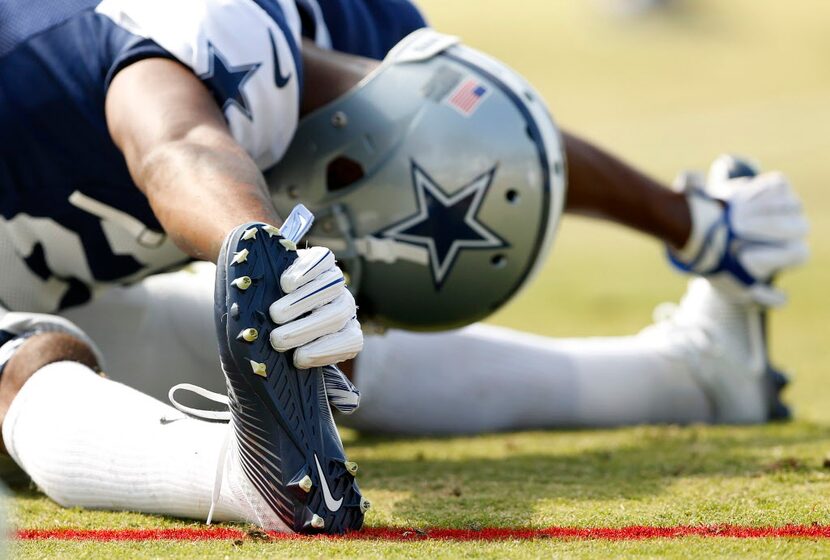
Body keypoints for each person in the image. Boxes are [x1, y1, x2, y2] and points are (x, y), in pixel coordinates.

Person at [0, 0, 808, 534]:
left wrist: (692, 220)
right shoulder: (219, 31)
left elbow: (496, 149)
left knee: (290, 347)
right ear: (350, 162)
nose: (364, 290)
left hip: (52, 273)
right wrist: (265, 243)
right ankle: (246, 483)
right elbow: (178, 145)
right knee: (27, 355)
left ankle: (701, 376)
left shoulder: (376, 50)